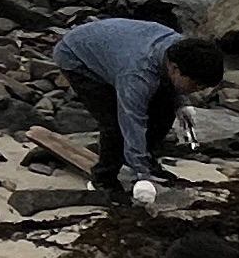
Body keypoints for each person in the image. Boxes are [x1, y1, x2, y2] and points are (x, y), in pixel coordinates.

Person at [49, 19, 228, 200]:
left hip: (117, 45)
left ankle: (146, 158)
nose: (197, 90)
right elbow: (132, 121)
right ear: (174, 69)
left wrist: (181, 104)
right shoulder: (137, 76)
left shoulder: (182, 50)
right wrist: (142, 176)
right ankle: (103, 178)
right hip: (77, 56)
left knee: (164, 108)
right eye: (196, 85)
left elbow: (173, 84)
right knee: (114, 123)